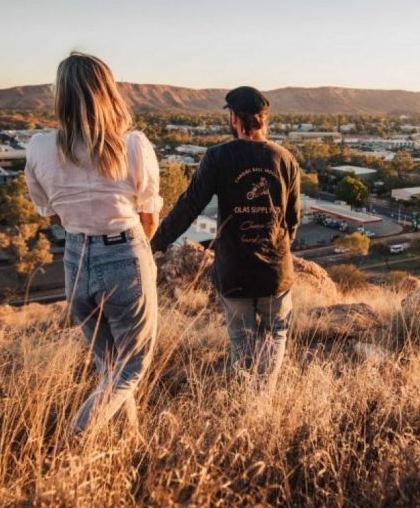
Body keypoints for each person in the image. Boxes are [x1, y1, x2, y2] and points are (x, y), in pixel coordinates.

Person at [25, 52, 162, 433]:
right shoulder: (132, 146)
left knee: (110, 365)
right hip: (124, 253)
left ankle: (128, 442)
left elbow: (48, 211)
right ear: (108, 91)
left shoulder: (39, 147)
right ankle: (78, 435)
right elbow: (149, 216)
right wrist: (130, 252)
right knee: (132, 367)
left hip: (75, 257)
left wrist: (79, 225)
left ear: (61, 96)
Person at [151, 86, 301, 385]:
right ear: (264, 119)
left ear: (234, 119)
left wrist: (156, 242)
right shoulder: (284, 159)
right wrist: (277, 249)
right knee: (276, 333)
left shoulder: (218, 157)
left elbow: (189, 206)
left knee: (241, 339)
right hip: (275, 272)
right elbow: (293, 220)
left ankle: (246, 397)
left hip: (235, 271)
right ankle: (264, 397)